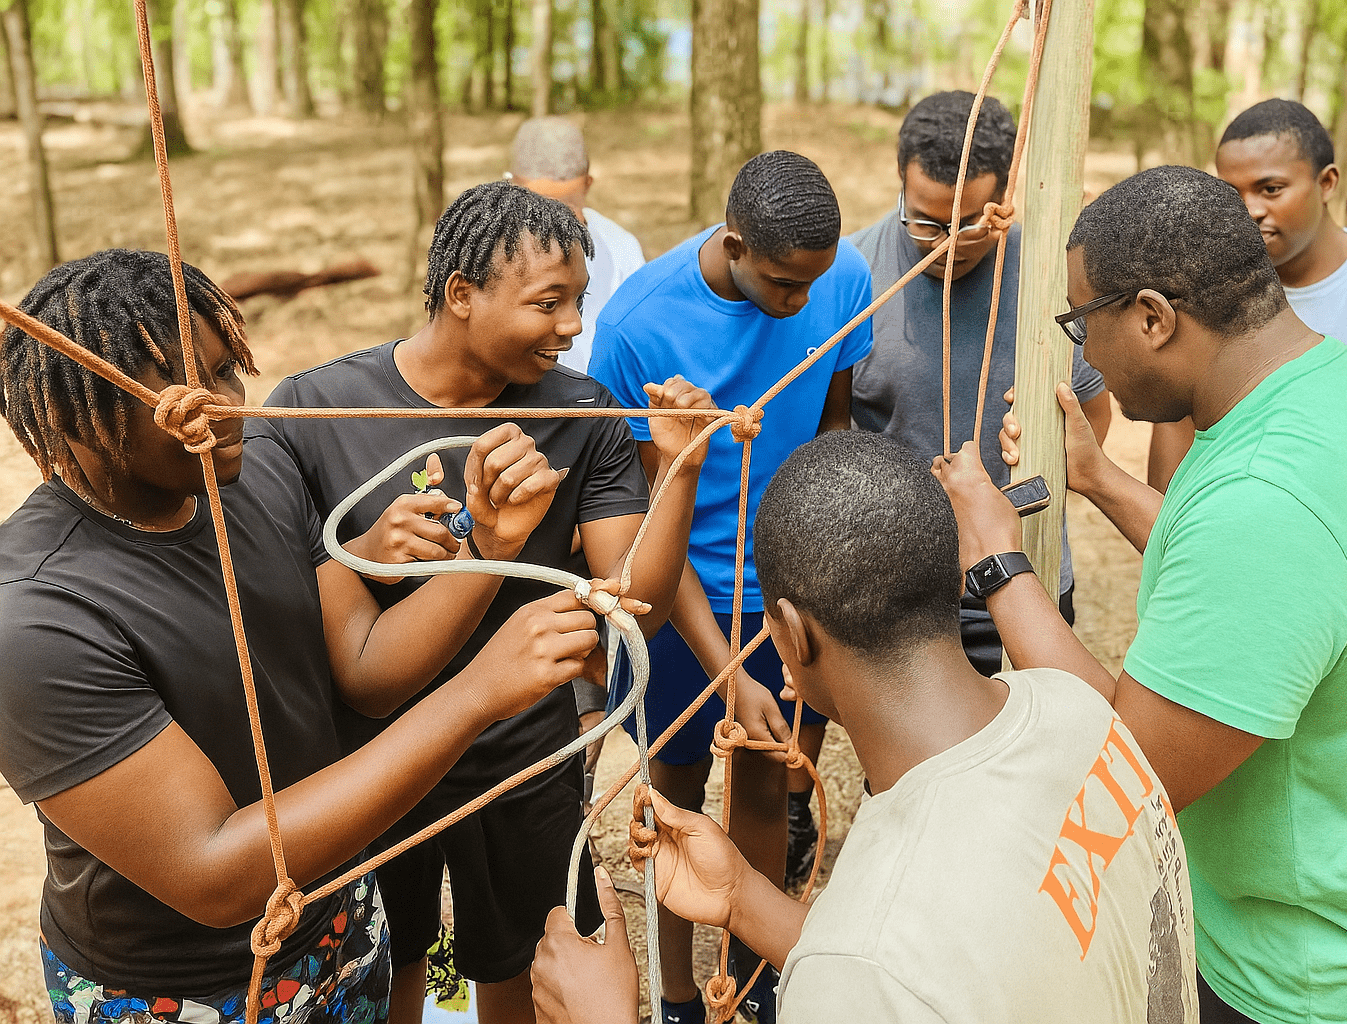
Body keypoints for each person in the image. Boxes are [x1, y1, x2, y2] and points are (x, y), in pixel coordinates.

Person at [0, 250, 609, 1021]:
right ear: (70, 418)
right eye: (187, 390)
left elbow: (366, 669)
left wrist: (487, 548)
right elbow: (214, 870)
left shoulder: (259, 475)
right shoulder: (32, 616)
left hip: (341, 916)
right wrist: (477, 694)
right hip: (174, 987)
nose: (227, 407)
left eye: (228, 372)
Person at [975, 166, 1347, 1023]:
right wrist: (1098, 479)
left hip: (1328, 980)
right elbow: (1269, 593)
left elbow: (1130, 774)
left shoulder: (1262, 500)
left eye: (1083, 324)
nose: (1085, 356)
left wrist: (997, 563)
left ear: (1152, 317)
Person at [529, 430, 1199, 1024]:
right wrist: (743, 897)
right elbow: (940, 971)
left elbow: (883, 974)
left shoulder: (861, 971)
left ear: (791, 635)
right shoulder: (1077, 708)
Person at [265, 182, 711, 1024]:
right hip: (371, 754)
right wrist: (364, 553)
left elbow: (632, 602)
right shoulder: (312, 409)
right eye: (549, 303)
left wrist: (679, 472)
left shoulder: (583, 415)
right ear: (461, 294)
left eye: (578, 301)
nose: (574, 326)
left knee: (521, 961)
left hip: (524, 752)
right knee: (390, 961)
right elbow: (284, 595)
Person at [588, 150, 874, 1024]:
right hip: (684, 593)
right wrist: (726, 668)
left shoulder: (843, 274)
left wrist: (818, 571)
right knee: (674, 797)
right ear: (735, 241)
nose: (801, 301)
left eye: (813, 283)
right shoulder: (638, 325)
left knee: (766, 777)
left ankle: (749, 984)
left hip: (787, 581)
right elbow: (644, 529)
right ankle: (680, 992)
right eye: (784, 285)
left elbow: (834, 422)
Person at [850, 89, 1111, 669]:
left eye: (968, 222)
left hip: (1030, 578)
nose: (947, 243)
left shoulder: (1053, 277)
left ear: (1006, 191)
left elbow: (1093, 415)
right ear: (900, 178)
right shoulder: (850, 279)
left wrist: (1048, 437)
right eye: (925, 219)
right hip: (901, 597)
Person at [1146, 99, 1347, 507]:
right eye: (1231, 193)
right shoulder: (1201, 289)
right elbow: (1171, 472)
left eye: (1271, 189)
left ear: (1327, 183)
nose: (1249, 210)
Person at [508, 116, 646, 374]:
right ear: (511, 184)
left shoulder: (619, 247)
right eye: (538, 205)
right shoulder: (489, 247)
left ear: (587, 184)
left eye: (567, 207)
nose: (553, 219)